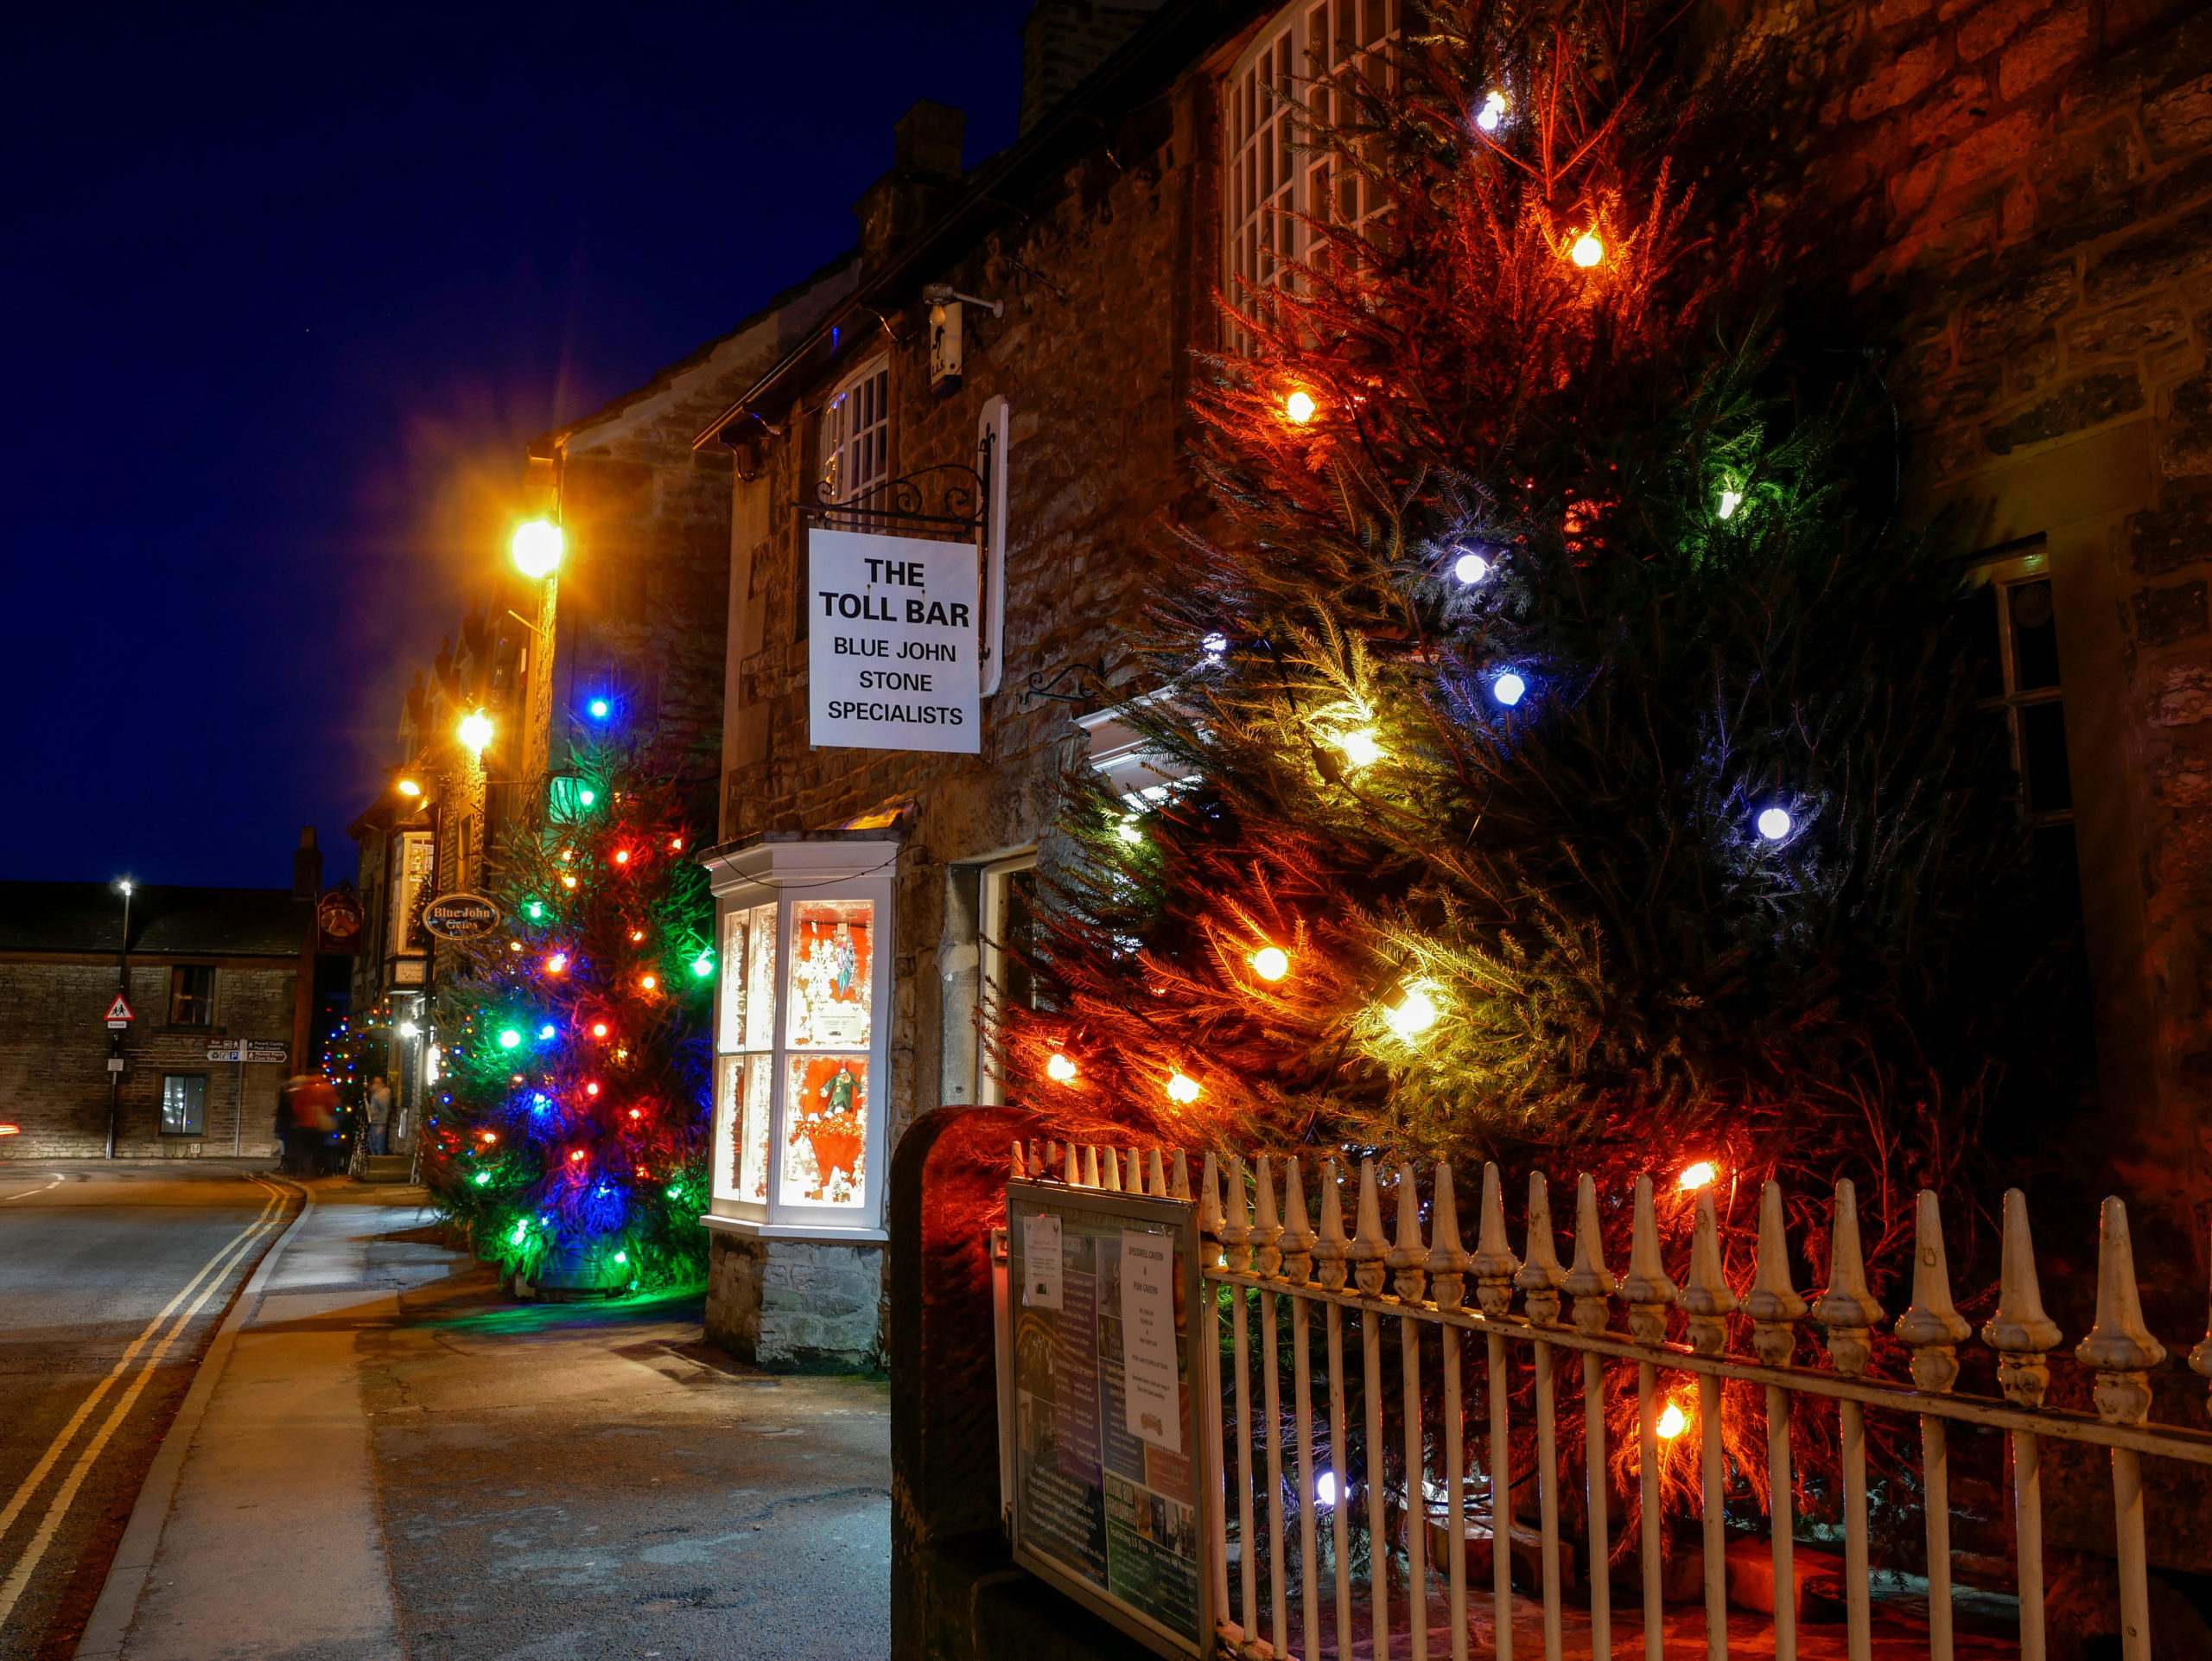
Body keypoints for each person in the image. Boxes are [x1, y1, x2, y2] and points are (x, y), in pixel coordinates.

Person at [365, 1075, 393, 1156]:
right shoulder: (377, 1094)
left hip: (378, 1123)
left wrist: (382, 1125)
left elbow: (385, 1109)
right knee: (374, 1146)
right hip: (375, 1122)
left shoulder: (382, 1095)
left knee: (378, 1146)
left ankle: (379, 1165)